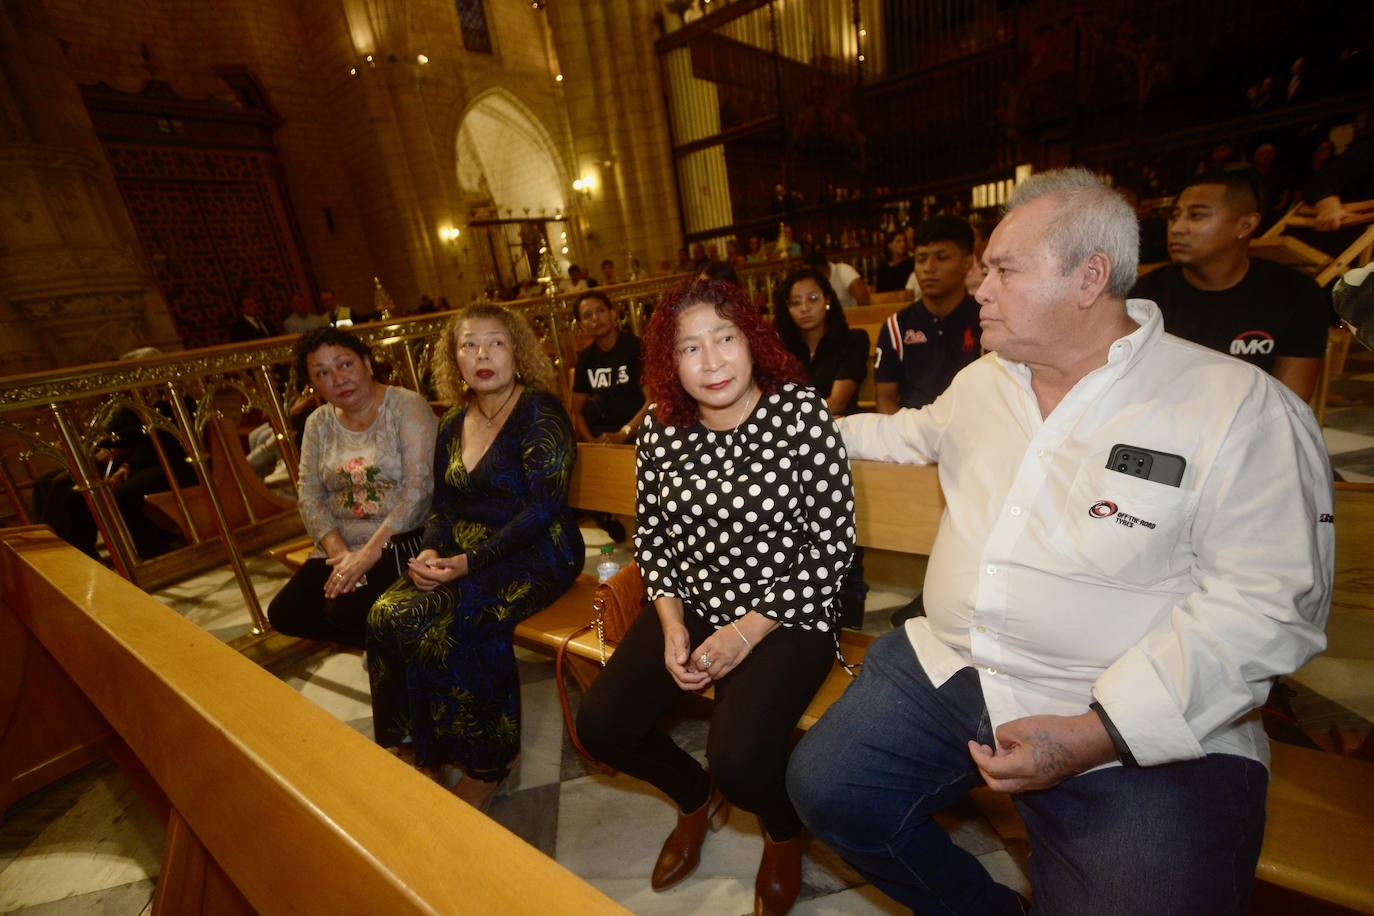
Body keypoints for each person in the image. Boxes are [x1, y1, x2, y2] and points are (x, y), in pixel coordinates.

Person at [788, 168, 1333, 916]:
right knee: (828, 788)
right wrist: (780, 431)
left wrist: (1098, 732)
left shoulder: (1236, 407)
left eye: (1004, 270)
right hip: (956, 664)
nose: (981, 288)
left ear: (1089, 277)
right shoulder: (988, 381)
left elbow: (1268, 608)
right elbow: (905, 433)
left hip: (1127, 707)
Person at [575, 278, 855, 916]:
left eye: (724, 339)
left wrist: (743, 633)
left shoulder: (801, 414)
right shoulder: (663, 431)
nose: (712, 361)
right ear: (669, 363)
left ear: (752, 340)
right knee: (603, 724)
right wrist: (671, 624)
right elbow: (656, 540)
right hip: (695, 599)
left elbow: (832, 549)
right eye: (690, 348)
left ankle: (783, 833)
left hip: (791, 609)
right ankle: (693, 796)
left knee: (741, 758)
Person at [367, 304, 584, 811]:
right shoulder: (450, 424)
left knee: (456, 622)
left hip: (539, 549)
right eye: (469, 345)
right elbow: (444, 505)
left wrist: (469, 563)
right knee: (386, 616)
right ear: (454, 359)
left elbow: (544, 507)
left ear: (518, 353)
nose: (482, 354)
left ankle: (489, 761)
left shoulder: (540, 411)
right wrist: (429, 551)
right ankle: (419, 746)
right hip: (463, 548)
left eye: (496, 343)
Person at [267, 327, 437, 648]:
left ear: (368, 363)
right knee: (286, 613)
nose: (338, 379)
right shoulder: (318, 424)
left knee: (347, 612)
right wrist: (341, 555)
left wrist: (367, 556)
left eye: (345, 364)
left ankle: (395, 651)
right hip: (342, 547)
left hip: (399, 541)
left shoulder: (406, 407)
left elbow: (419, 490)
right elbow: (310, 496)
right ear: (314, 384)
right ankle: (391, 647)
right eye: (323, 373)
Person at [1131, 168, 1328, 400]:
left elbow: (1291, 404)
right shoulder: (1143, 295)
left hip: (1251, 429)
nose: (1177, 228)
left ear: (1245, 225)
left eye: (1196, 215)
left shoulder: (1296, 295)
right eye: (1174, 216)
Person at [33, 347, 198, 559]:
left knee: (114, 494)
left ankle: (152, 549)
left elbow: (168, 444)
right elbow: (123, 435)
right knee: (58, 484)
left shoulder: (174, 397)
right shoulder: (134, 401)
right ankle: (63, 549)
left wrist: (127, 464)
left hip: (177, 465)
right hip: (145, 462)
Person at [874, 215, 983, 413]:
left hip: (973, 431)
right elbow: (885, 401)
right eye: (921, 258)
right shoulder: (897, 326)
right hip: (912, 435)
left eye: (941, 258)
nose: (928, 268)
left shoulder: (986, 320)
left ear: (967, 263)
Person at [773, 268, 870, 418]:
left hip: (842, 428)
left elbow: (838, 402)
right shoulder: (781, 349)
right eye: (796, 302)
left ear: (827, 300)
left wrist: (793, 423)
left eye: (813, 298)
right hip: (793, 434)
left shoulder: (853, 340)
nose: (804, 308)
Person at [571, 291, 648, 445]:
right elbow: (576, 412)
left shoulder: (636, 349)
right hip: (602, 438)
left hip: (639, 431)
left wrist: (623, 433)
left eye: (600, 311)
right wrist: (592, 443)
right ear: (581, 326)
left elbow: (653, 401)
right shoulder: (585, 360)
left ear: (612, 314)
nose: (595, 318)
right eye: (587, 315)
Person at [803, 251, 870, 309]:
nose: (807, 274)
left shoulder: (843, 270)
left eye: (809, 271)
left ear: (820, 269)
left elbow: (863, 297)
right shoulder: (810, 280)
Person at [874, 228, 914, 292]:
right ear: (889, 245)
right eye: (898, 241)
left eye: (904, 241)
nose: (903, 244)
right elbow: (880, 291)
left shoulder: (911, 263)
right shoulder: (883, 268)